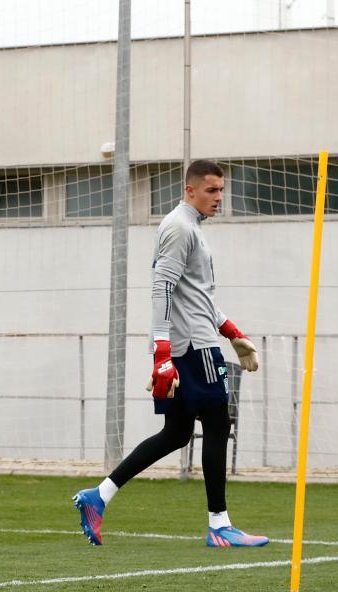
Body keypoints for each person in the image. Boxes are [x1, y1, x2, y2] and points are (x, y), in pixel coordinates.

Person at [72, 160, 267, 548]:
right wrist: (163, 353)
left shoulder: (189, 226)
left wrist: (232, 332)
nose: (219, 198)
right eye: (211, 191)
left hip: (191, 342)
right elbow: (162, 288)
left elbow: (194, 295)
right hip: (193, 346)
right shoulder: (180, 227)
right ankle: (219, 525)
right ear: (190, 190)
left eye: (221, 190)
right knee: (217, 425)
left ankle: (100, 496)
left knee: (176, 433)